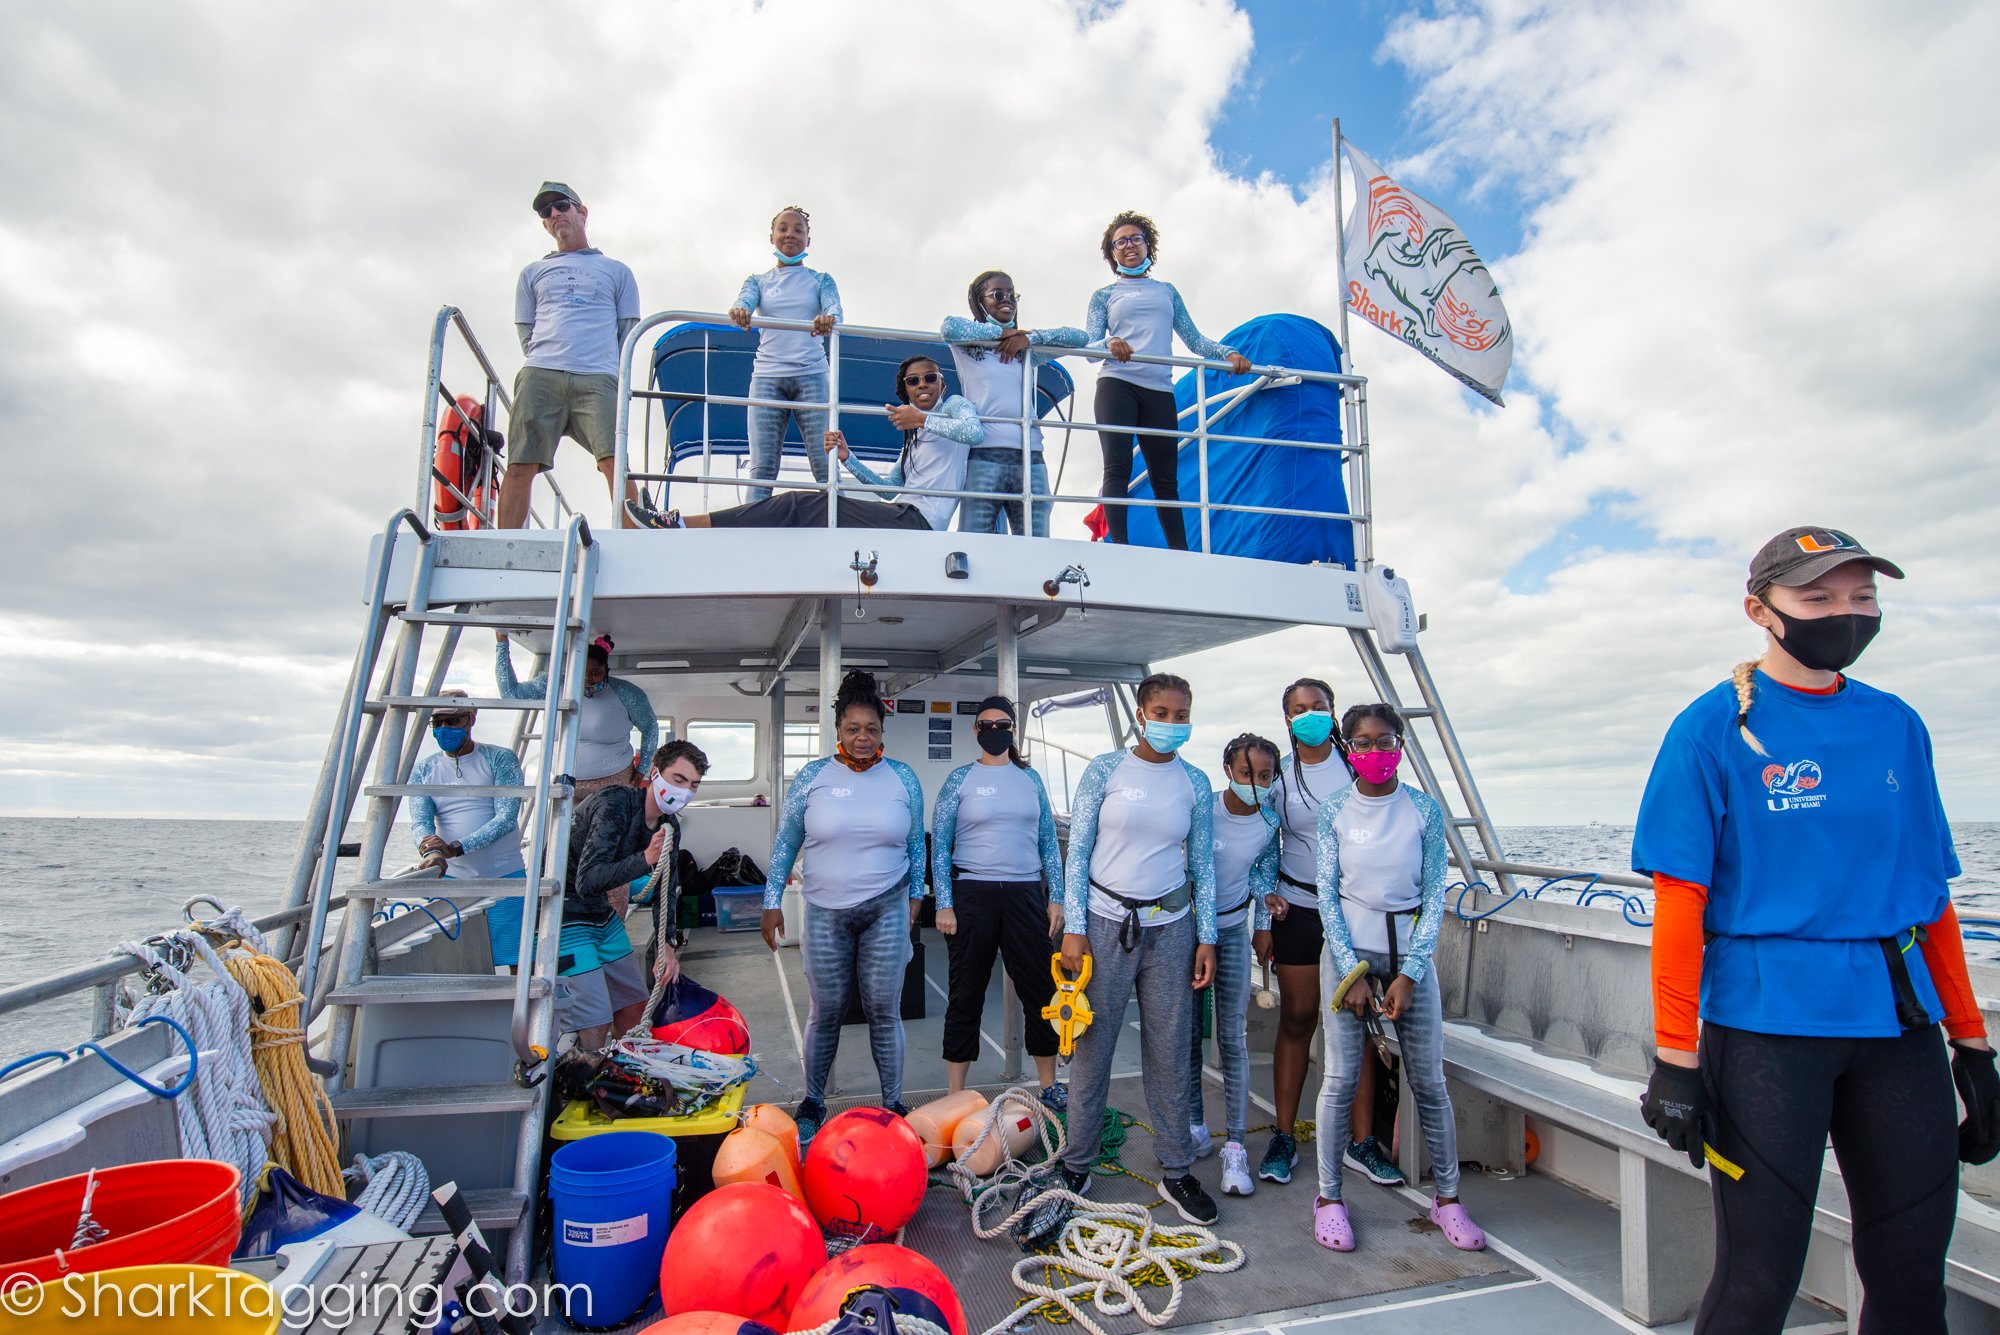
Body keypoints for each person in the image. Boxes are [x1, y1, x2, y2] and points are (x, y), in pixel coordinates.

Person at [1633, 526, 1994, 1333]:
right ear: (1762, 609)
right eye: (1821, 597)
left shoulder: (1898, 724)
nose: (1849, 613)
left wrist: (1972, 1044)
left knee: (1910, 1280)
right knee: (1759, 1279)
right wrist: (1677, 1062)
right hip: (1767, 1031)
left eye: (1863, 596)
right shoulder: (1710, 729)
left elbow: (1929, 899)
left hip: (1897, 1029)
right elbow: (1681, 907)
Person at [1310, 703, 1483, 1254]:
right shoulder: (1335, 809)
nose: (1376, 752)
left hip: (1411, 960)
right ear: (1349, 748)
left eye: (1386, 742)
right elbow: (1327, 897)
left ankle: (1449, 1199)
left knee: (1429, 1083)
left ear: (1400, 745)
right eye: (1363, 743)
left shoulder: (1425, 811)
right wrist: (1352, 973)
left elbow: (1435, 897)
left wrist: (1410, 974)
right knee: (1339, 1080)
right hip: (1347, 959)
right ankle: (1329, 1199)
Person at [1052, 672, 1221, 1225]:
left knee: (1172, 1050)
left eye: (1181, 713)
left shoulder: (1194, 782)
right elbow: (1077, 853)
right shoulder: (1105, 770)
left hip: (1172, 927)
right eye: (1162, 712)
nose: (1172, 723)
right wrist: (1073, 927)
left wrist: (1207, 937)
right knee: (1092, 1045)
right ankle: (1078, 1161)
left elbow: (1202, 865)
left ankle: (1176, 1168)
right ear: (1141, 715)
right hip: (1103, 924)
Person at [761, 669, 927, 1140]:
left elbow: (916, 845)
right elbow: (786, 842)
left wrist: (916, 897)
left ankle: (893, 1105)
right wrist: (771, 900)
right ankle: (814, 1102)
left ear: (882, 733)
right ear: (837, 729)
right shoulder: (813, 777)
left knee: (883, 1009)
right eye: (853, 729)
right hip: (825, 912)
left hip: (887, 908)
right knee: (826, 1010)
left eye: (871, 729)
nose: (861, 738)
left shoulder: (903, 778)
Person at [1260, 677, 1398, 1190]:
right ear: (1288, 717)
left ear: (1333, 712)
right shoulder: (1280, 779)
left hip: (1356, 910)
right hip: (1298, 908)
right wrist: (1262, 911)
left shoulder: (1354, 767)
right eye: (1299, 708)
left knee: (1354, 1021)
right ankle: (1283, 1136)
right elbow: (1265, 848)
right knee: (1297, 1019)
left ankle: (1361, 1143)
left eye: (1319, 706)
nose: (1310, 714)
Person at [628, 356, 980, 531]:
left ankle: (677, 523)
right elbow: (889, 490)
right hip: (901, 512)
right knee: (807, 507)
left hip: (919, 521)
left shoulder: (954, 407)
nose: (923, 384)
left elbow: (973, 432)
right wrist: (847, 458)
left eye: (930, 377)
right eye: (914, 380)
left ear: (942, 382)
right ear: (905, 389)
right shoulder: (913, 441)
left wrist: (920, 418)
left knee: (798, 504)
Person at [1084, 212, 1251, 550]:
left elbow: (1194, 340)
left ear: (1148, 245)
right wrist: (1108, 343)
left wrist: (1228, 354)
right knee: (1118, 467)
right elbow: (1089, 349)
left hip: (1159, 388)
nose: (1129, 245)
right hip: (1117, 383)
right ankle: (1119, 544)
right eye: (1121, 242)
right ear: (1111, 253)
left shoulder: (1166, 292)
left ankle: (1180, 551)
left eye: (1136, 239)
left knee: (1166, 480)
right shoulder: (1104, 295)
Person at [932, 697, 1068, 1109]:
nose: (995, 731)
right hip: (972, 893)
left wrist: (1056, 897)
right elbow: (940, 846)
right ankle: (956, 1094)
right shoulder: (959, 779)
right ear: (976, 731)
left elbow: (1048, 842)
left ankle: (1048, 1085)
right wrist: (945, 902)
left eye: (1003, 724)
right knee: (966, 992)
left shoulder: (1031, 781)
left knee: (1041, 991)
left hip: (1026, 893)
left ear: (1013, 730)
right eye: (986, 725)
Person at [500, 182, 643, 530]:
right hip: (541, 372)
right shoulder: (531, 273)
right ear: (544, 224)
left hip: (597, 377)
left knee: (614, 461)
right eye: (545, 212)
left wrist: (597, 363)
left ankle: (633, 536)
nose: (554, 214)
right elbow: (526, 331)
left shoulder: (617, 271)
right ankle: (504, 545)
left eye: (561, 205)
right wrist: (551, 357)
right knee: (520, 463)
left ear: (582, 211)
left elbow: (627, 332)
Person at [558, 741, 710, 1049]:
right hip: (563, 916)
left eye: (693, 785)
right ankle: (590, 1082)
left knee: (636, 1007)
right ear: (655, 772)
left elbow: (666, 886)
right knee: (596, 1019)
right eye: (678, 779)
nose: (684, 790)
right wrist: (644, 859)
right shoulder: (613, 804)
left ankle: (626, 1079)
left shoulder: (669, 826)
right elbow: (586, 881)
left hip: (599, 914)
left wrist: (667, 944)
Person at [1191, 732, 1281, 1198]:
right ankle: (1192, 1124)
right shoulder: (1202, 808)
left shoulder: (1269, 820)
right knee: (1184, 1034)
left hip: (1231, 933)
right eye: (1247, 774)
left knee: (1234, 1036)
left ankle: (1236, 1147)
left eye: (1265, 776)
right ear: (1228, 770)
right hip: (1184, 931)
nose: (1256, 783)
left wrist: (1264, 918)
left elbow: (1265, 870)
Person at [940, 271, 1087, 537]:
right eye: (998, 294)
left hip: (1030, 457)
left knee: (1036, 544)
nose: (1007, 300)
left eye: (1012, 295)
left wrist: (1030, 338)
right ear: (979, 301)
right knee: (976, 540)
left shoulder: (1025, 351)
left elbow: (1080, 338)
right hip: (985, 455)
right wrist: (1002, 332)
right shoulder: (966, 345)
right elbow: (949, 327)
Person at [406, 690, 528, 969]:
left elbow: (506, 818)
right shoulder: (424, 770)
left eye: (453, 720)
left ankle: (522, 1012)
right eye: (437, 723)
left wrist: (457, 847)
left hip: (503, 874)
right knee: (458, 960)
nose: (444, 728)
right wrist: (430, 847)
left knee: (518, 961)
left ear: (472, 718)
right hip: (453, 880)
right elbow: (420, 821)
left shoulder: (500, 759)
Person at [730, 205, 842, 504]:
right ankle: (751, 528)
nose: (790, 234)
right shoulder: (758, 280)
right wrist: (741, 310)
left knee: (824, 464)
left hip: (812, 375)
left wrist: (828, 319)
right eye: (783, 228)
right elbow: (744, 302)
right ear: (772, 236)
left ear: (808, 239)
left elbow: (835, 311)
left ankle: (839, 525)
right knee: (763, 466)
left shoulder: (821, 280)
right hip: (768, 377)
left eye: (797, 230)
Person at [496, 633, 658, 804]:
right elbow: (510, 694)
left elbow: (650, 728)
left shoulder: (627, 693)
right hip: (565, 783)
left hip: (613, 783)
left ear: (607, 671)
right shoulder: (553, 685)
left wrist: (642, 768)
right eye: (582, 673)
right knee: (569, 831)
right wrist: (502, 644)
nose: (588, 680)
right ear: (572, 670)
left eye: (596, 673)